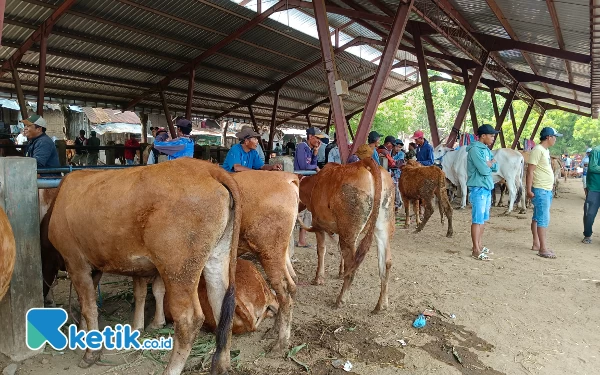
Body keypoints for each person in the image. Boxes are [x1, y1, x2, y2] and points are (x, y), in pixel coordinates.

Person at [526, 127, 562, 259]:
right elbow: (530, 171)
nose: (555, 139)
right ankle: (543, 248)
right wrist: (528, 189)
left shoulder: (544, 151)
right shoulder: (538, 150)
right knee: (543, 218)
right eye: (554, 137)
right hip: (541, 189)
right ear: (548, 137)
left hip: (545, 188)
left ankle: (537, 244)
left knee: (537, 217)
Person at [466, 124, 499, 260]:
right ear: (483, 136)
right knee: (477, 219)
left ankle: (479, 245)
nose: (493, 138)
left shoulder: (485, 149)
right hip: (478, 187)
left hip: (486, 187)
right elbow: (484, 170)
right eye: (491, 135)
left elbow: (495, 166)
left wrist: (490, 164)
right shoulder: (474, 150)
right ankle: (475, 249)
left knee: (483, 219)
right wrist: (489, 164)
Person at [295, 127, 325, 247]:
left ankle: (302, 241)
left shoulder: (310, 148)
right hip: (300, 181)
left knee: (307, 211)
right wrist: (315, 168)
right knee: (299, 210)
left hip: (306, 181)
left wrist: (316, 153)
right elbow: (304, 165)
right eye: (317, 138)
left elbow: (311, 163)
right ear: (310, 137)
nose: (319, 141)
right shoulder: (302, 146)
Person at [583, 145, 600, 244]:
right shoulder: (597, 150)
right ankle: (587, 234)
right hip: (595, 187)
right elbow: (593, 167)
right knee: (590, 213)